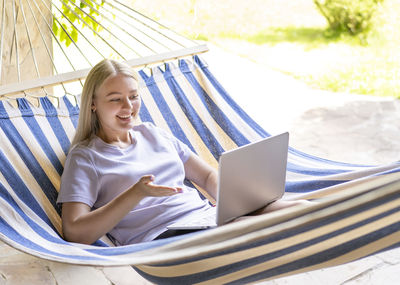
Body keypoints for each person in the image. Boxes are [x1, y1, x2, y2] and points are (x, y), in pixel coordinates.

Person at [57, 59, 308, 246]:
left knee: (300, 209)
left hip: (205, 219)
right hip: (164, 239)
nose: (128, 107)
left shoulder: (152, 133)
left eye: (133, 96)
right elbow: (75, 232)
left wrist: (234, 203)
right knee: (252, 231)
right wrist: (136, 194)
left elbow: (207, 177)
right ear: (92, 103)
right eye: (115, 99)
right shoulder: (85, 158)